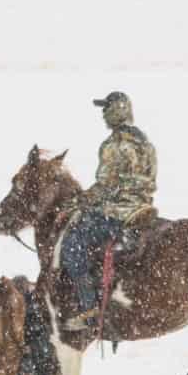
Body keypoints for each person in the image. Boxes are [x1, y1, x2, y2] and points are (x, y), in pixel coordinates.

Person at [57, 91, 157, 339]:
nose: (103, 114)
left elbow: (105, 186)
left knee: (73, 243)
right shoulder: (144, 142)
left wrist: (77, 202)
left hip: (118, 211)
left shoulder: (113, 145)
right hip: (142, 207)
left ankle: (89, 308)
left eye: (107, 108)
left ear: (116, 112)